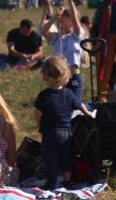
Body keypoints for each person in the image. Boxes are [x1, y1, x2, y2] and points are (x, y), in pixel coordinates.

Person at [34, 56, 81, 190]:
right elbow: (79, 105)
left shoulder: (44, 95)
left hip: (50, 132)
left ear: (45, 75)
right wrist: (88, 113)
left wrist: (39, 125)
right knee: (66, 158)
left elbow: (37, 113)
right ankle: (67, 182)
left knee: (51, 159)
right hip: (66, 132)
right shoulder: (69, 93)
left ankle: (51, 182)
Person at [40, 0, 86, 104]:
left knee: (75, 105)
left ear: (71, 21)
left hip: (73, 78)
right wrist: (55, 17)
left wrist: (70, 1)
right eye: (59, 22)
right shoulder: (57, 37)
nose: (60, 24)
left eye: (63, 21)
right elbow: (44, 31)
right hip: (58, 79)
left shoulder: (77, 36)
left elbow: (75, 20)